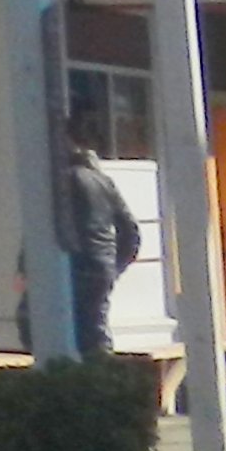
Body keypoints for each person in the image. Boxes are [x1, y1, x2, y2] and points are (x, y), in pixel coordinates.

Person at [59, 137, 143, 362]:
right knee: (95, 324)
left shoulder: (63, 182)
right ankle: (102, 369)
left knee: (61, 324)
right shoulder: (105, 182)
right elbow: (131, 231)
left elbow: (43, 225)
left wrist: (24, 266)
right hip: (102, 263)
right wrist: (115, 266)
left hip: (74, 263)